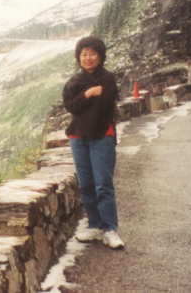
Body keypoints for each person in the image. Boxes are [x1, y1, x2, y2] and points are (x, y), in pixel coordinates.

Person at [62, 36, 124, 249]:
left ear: (100, 56)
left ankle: (110, 229)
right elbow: (71, 106)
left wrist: (90, 97)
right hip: (78, 137)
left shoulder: (108, 78)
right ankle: (95, 225)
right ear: (79, 57)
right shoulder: (74, 81)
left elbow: (107, 101)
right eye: (84, 54)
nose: (88, 58)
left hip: (101, 136)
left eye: (92, 54)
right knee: (86, 184)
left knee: (103, 184)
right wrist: (88, 94)